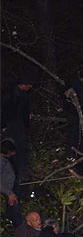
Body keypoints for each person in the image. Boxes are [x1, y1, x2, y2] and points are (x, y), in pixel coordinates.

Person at [1, 70, 35, 199]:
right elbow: (5, 110)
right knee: (13, 153)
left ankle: (23, 178)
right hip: (11, 127)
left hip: (19, 127)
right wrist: (3, 126)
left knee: (22, 153)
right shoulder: (9, 94)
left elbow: (24, 112)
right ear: (23, 84)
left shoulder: (24, 95)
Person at [1, 139, 21, 227]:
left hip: (10, 189)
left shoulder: (6, 160)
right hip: (6, 191)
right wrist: (9, 193)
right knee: (14, 208)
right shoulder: (1, 161)